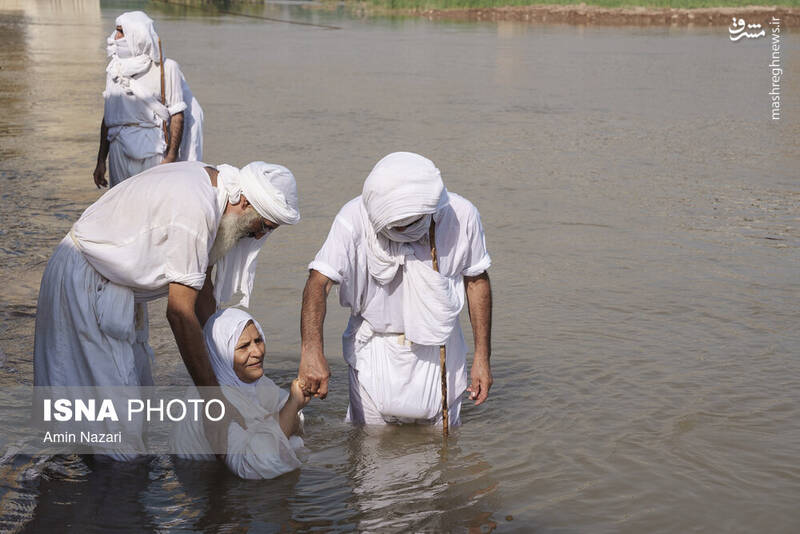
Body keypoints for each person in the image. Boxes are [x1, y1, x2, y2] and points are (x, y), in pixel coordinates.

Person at [34, 160, 300, 453]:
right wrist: (215, 402)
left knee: (134, 406)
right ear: (246, 201)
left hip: (115, 286)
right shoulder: (196, 209)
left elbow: (202, 290)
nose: (260, 236)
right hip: (86, 282)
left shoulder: (216, 189)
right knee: (117, 430)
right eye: (262, 225)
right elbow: (179, 313)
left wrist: (226, 365)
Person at [298, 152, 492, 426]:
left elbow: (476, 281)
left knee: (441, 453)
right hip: (374, 349)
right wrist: (311, 352)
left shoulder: (461, 216)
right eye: (395, 227)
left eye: (410, 224)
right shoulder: (353, 218)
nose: (402, 231)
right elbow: (318, 283)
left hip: (440, 351)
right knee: (368, 449)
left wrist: (482, 358)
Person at [173, 308, 310, 479]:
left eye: (258, 340)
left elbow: (285, 409)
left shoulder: (250, 381)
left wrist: (289, 409)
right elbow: (256, 466)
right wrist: (293, 404)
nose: (257, 352)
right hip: (205, 484)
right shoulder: (214, 401)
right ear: (221, 354)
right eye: (244, 346)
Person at [92, 11, 203, 188]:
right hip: (118, 148)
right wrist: (100, 162)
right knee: (121, 207)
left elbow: (177, 116)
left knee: (152, 206)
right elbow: (108, 118)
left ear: (137, 35)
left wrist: (171, 157)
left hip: (153, 149)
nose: (115, 36)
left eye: (121, 31)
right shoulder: (114, 69)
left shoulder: (167, 68)